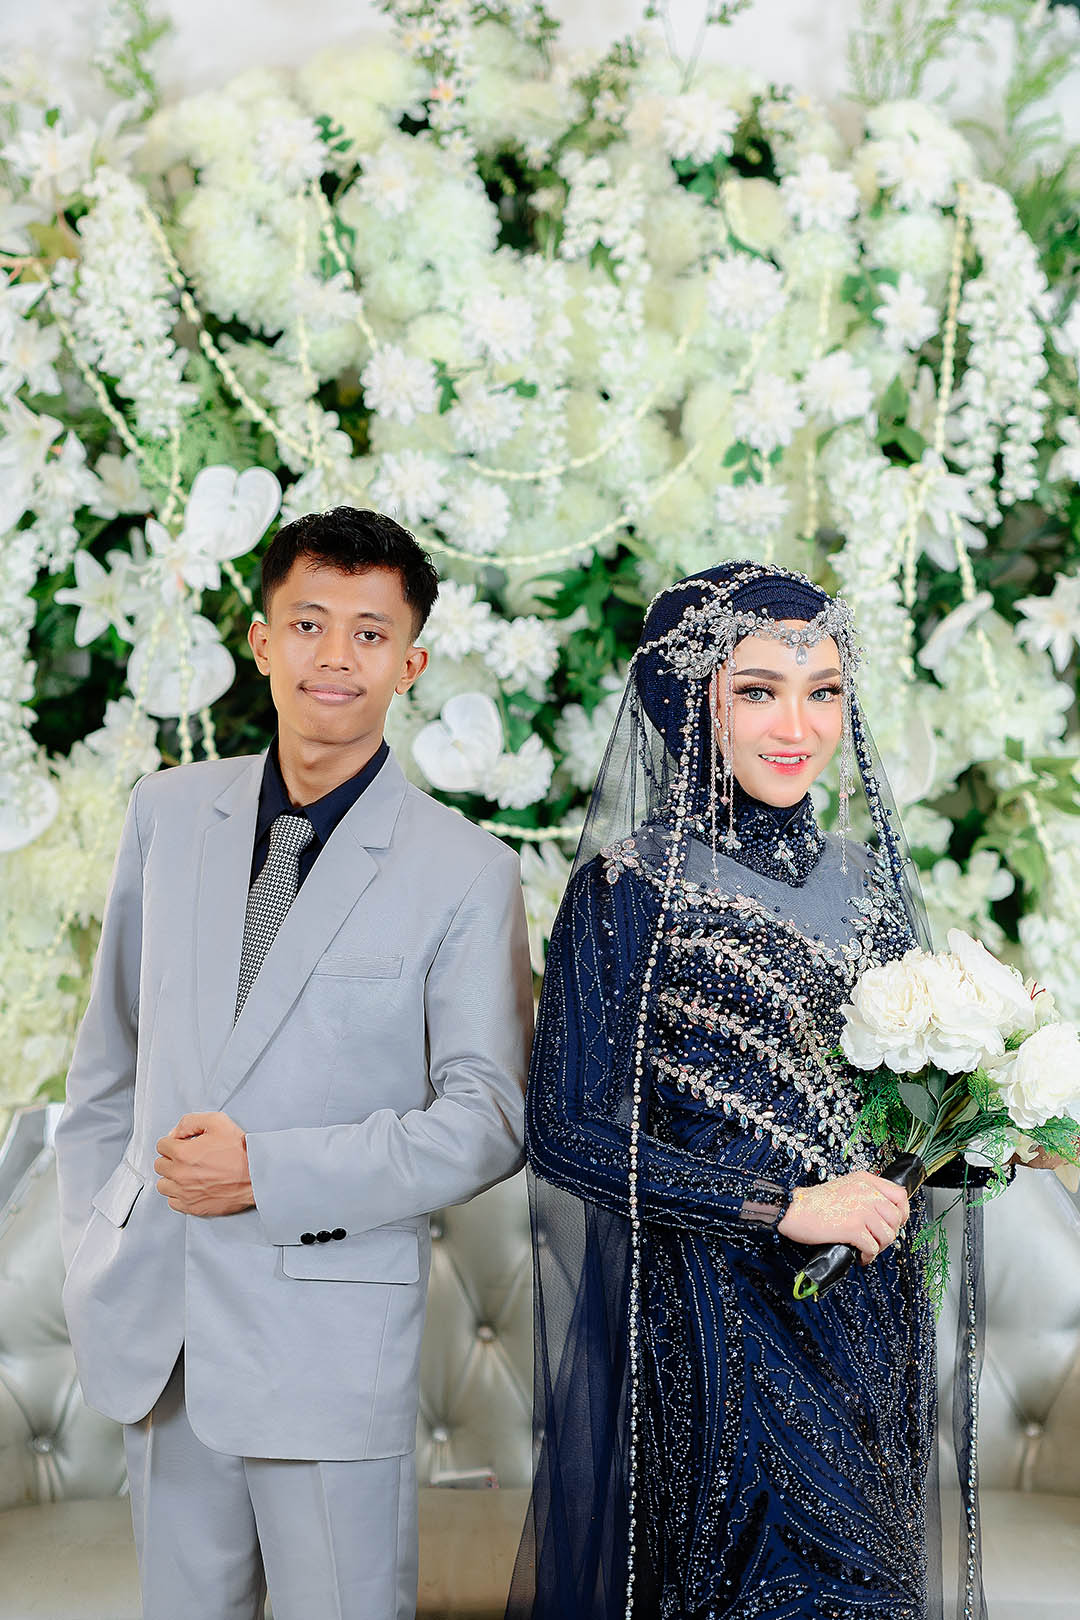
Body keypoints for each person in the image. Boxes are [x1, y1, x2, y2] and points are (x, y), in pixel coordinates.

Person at [55, 505, 534, 1620]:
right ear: (262, 641)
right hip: (159, 1323)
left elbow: (489, 1120)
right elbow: (107, 1063)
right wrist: (96, 1240)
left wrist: (267, 1173)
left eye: (370, 633)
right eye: (309, 624)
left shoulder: (468, 871)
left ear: (410, 664)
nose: (336, 656)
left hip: (328, 1338)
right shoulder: (168, 814)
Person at [508, 561, 986, 1620]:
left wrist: (990, 1133)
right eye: (759, 690)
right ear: (694, 702)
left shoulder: (868, 882)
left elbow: (892, 1120)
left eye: (824, 691)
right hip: (718, 1322)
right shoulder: (628, 888)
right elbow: (565, 1131)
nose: (798, 726)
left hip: (865, 1319)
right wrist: (779, 1207)